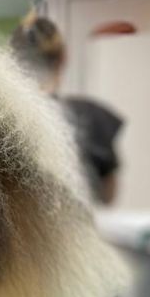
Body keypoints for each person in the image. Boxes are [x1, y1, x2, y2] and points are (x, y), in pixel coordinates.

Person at [10, 10, 123, 204]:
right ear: (64, 57)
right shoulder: (93, 117)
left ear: (12, 63)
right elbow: (107, 197)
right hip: (83, 221)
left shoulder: (1, 121)